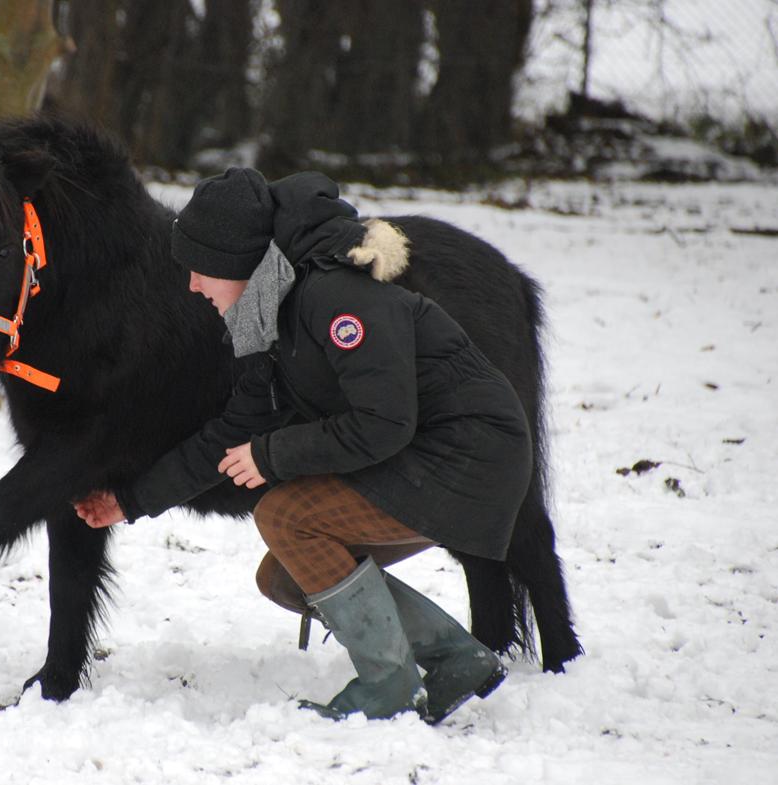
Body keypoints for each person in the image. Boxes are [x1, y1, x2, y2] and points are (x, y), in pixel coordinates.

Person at [73, 167, 533, 724]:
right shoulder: (268, 317)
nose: (192, 286)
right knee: (288, 575)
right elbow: (226, 434)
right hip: (429, 458)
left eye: (198, 270)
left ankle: (389, 685)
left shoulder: (335, 296)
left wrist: (270, 456)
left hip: (470, 457)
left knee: (286, 517)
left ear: (235, 260)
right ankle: (455, 657)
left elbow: (384, 423)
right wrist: (131, 500)